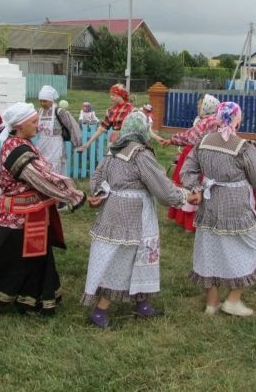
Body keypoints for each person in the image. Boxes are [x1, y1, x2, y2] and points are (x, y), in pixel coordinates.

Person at [0, 102, 86, 315]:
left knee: (23, 256)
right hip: (19, 218)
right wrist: (73, 194)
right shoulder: (18, 150)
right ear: (19, 125)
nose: (38, 126)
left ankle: (28, 297)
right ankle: (10, 298)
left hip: (24, 213)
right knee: (18, 259)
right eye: (34, 122)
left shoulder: (18, 142)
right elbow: (42, 177)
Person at [83, 111, 200, 328]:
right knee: (124, 257)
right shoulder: (140, 155)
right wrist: (186, 196)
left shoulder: (114, 151)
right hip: (134, 213)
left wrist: (99, 193)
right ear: (142, 130)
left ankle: (142, 302)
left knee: (137, 254)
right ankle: (100, 310)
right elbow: (162, 189)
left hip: (113, 209)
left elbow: (97, 177)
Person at [181, 101, 256, 317]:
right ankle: (232, 300)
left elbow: (187, 170)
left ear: (218, 118)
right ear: (238, 120)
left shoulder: (203, 142)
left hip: (210, 205)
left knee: (208, 250)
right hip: (236, 207)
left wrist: (196, 188)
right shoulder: (243, 147)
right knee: (247, 248)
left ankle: (211, 303)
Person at [163, 93, 221, 232]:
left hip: (195, 157)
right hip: (206, 157)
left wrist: (172, 139)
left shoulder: (207, 121)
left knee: (191, 185)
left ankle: (189, 222)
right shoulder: (212, 120)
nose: (198, 107)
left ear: (207, 106)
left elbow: (190, 136)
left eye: (200, 104)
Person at [37, 85, 82, 175]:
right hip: (42, 144)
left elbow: (72, 126)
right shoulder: (39, 112)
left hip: (56, 144)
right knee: (43, 168)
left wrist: (77, 144)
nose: (42, 103)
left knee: (55, 169)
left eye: (44, 101)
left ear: (51, 100)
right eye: (40, 101)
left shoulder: (60, 112)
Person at [77, 84, 134, 151]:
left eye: (113, 95)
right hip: (114, 142)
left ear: (120, 95)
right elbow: (102, 128)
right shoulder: (110, 111)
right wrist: (88, 143)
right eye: (111, 95)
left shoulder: (130, 108)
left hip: (127, 144)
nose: (111, 97)